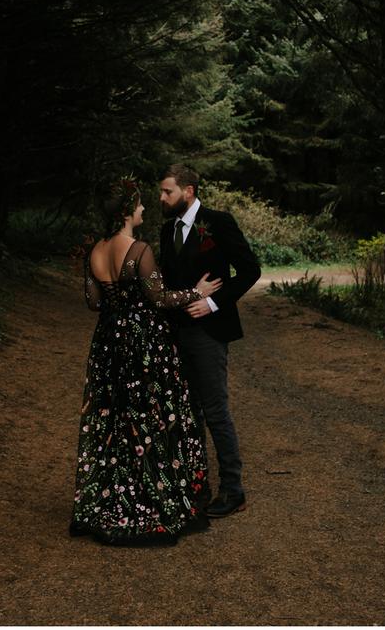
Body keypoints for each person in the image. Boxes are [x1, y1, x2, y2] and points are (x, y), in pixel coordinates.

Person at [69, 176, 223, 545]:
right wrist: (196, 292)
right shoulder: (139, 250)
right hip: (142, 343)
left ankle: (112, 498)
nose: (143, 208)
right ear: (127, 211)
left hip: (108, 343)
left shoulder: (96, 250)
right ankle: (151, 498)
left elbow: (94, 302)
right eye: (138, 204)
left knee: (115, 418)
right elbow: (159, 298)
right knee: (150, 417)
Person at [158, 164, 261, 519]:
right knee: (188, 411)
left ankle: (233, 490)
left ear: (188, 191)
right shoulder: (167, 229)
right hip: (177, 332)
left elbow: (250, 270)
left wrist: (213, 302)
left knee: (215, 410)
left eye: (167, 191)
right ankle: (196, 484)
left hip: (210, 331)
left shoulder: (218, 222)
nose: (162, 198)